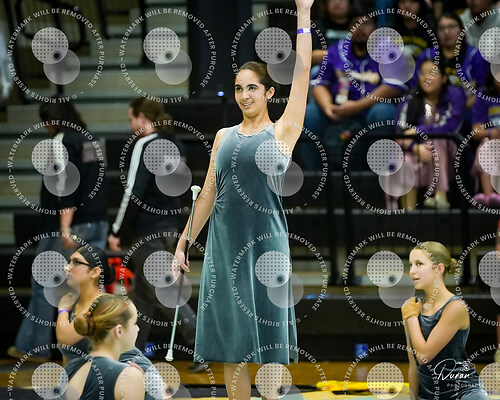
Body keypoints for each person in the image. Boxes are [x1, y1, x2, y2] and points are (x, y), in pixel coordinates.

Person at [173, 1, 313, 398]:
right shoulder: (223, 136)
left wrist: (303, 14)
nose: (244, 94)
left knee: (269, 347)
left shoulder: (284, 130)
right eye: (239, 88)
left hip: (267, 248)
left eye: (252, 87)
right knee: (231, 347)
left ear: (269, 92)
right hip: (224, 248)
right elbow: (208, 196)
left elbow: (302, 74)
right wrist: (183, 243)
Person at [7, 100, 108, 362]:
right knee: (88, 287)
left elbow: (65, 185)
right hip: (97, 221)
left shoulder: (61, 141)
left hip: (68, 225)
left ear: (52, 121)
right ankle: (93, 348)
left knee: (44, 285)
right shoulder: (91, 140)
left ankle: (33, 347)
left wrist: (65, 227)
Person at [107, 98, 198, 366]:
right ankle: (132, 352)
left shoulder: (145, 144)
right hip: (170, 228)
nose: (131, 126)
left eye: (131, 119)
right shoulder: (176, 144)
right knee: (143, 297)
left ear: (143, 117)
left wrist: (117, 230)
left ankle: (202, 343)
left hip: (148, 231)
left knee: (164, 292)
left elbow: (133, 192)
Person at [300, 5, 405, 171]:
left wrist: (357, 106)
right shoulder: (337, 50)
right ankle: (317, 176)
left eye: (366, 23)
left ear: (376, 27)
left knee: (383, 113)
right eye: (355, 23)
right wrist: (328, 107)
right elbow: (319, 83)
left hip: (370, 108)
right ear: (349, 28)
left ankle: (375, 176)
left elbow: (394, 86)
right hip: (339, 109)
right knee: (309, 114)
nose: (360, 29)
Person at [402, 241, 489, 399]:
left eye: (419, 264)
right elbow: (413, 364)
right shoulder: (412, 307)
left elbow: (424, 356)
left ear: (439, 269)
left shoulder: (455, 307)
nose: (412, 271)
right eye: (411, 265)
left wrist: (412, 318)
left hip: (463, 393)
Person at [396, 58, 466, 209]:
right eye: (423, 73)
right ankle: (409, 211)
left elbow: (450, 128)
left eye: (432, 73)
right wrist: (415, 148)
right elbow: (400, 134)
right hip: (419, 150)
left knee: (437, 141)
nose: (427, 77)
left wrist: (418, 130)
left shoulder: (455, 95)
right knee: (406, 160)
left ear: (444, 78)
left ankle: (440, 196)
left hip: (451, 152)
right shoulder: (410, 97)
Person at [64, 294, 145, 400]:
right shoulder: (130, 376)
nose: (138, 329)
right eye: (134, 323)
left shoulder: (71, 367)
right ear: (119, 331)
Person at [414, 12, 488, 110]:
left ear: (461, 30)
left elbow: (484, 90)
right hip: (431, 108)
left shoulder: (475, 56)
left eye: (451, 27)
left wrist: (460, 108)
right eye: (441, 28)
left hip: (467, 110)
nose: (446, 32)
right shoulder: (426, 55)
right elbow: (415, 87)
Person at [470, 69, 500, 208]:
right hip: (492, 141)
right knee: (486, 145)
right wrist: (491, 132)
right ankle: (490, 198)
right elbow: (476, 131)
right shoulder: (484, 95)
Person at [311, 0, 350, 66]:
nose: (337, 2)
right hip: (324, 66)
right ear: (326, 4)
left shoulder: (357, 24)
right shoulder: (317, 25)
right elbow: (312, 56)